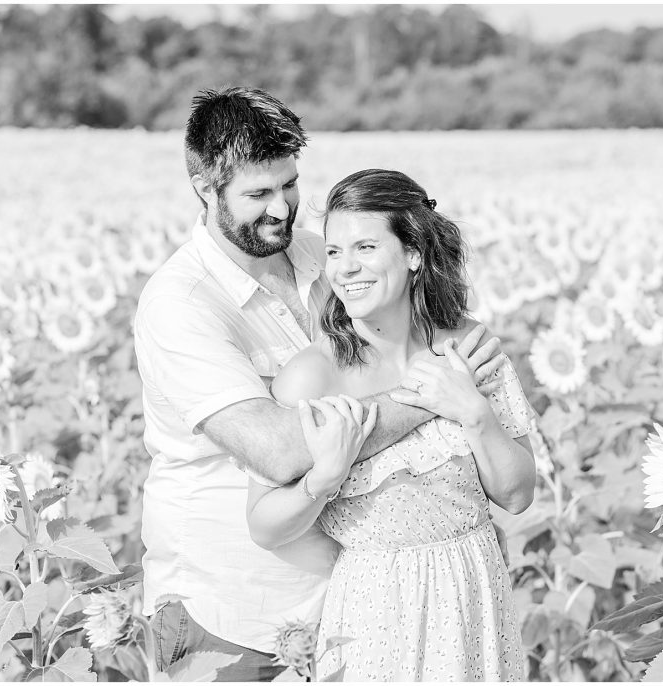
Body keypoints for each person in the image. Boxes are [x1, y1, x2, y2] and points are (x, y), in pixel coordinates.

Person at [133, 88, 504, 681]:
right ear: (205, 189)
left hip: (353, 608)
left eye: (289, 184)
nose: (282, 209)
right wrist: (440, 389)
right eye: (258, 194)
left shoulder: (324, 261)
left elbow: (418, 331)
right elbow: (279, 450)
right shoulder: (181, 306)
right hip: (234, 618)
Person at [246, 169, 537, 681]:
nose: (345, 268)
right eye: (334, 252)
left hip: (475, 592)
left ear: (413, 254)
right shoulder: (312, 374)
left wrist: (473, 411)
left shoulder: (466, 346)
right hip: (377, 608)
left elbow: (516, 495)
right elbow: (263, 526)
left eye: (365, 248)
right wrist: (323, 479)